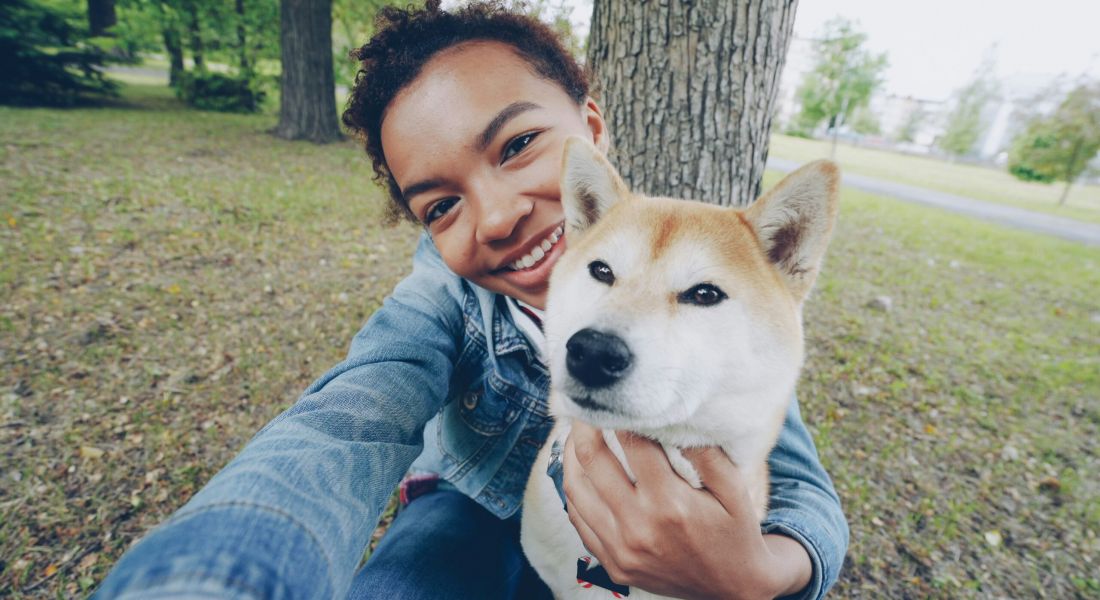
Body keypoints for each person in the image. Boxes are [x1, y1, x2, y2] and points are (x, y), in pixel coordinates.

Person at [94, 2, 848, 599]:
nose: (496, 216)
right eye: (441, 205)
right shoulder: (442, 297)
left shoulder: (725, 310)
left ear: (588, 130)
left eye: (517, 145)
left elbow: (800, 481)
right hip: (467, 503)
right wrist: (213, 574)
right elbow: (347, 420)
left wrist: (758, 573)